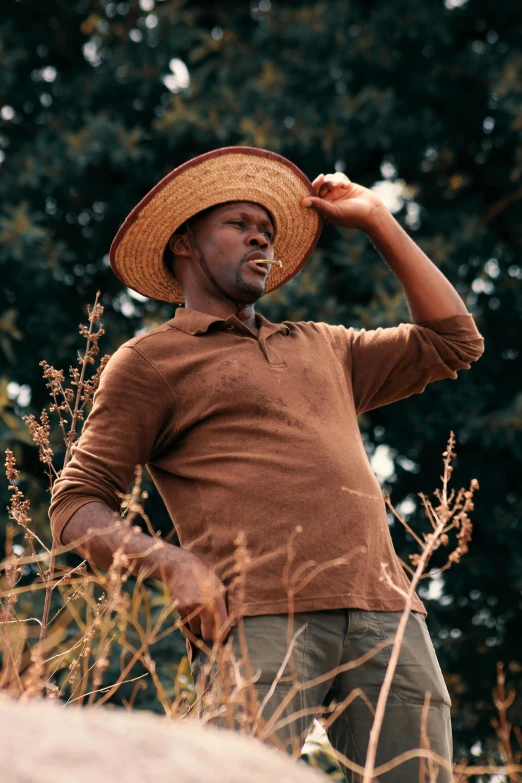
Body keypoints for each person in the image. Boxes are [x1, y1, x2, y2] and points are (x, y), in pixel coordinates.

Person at [49, 146, 484, 781]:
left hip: (386, 614)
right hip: (259, 619)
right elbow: (74, 504)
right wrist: (173, 566)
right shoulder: (150, 361)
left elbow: (454, 341)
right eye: (239, 223)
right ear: (185, 245)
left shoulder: (324, 346)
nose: (261, 235)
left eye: (269, 229)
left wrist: (378, 221)